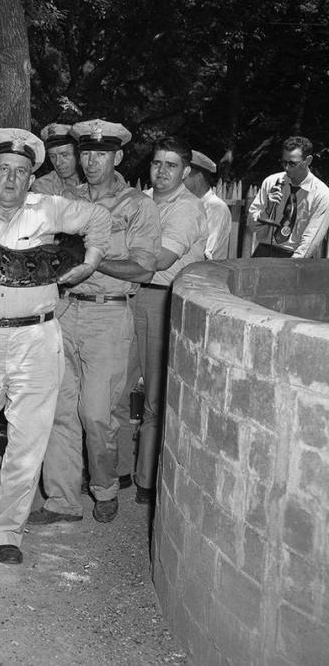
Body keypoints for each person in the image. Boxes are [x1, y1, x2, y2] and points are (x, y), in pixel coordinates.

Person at [0, 128, 110, 566]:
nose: (12, 179)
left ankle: (8, 530)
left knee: (29, 437)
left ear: (30, 177)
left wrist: (90, 262)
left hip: (38, 337)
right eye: (3, 169)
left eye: (22, 172)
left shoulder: (48, 208)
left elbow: (99, 219)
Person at [30, 119, 160, 526]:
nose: (90, 161)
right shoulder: (66, 198)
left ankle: (104, 487)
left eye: (100, 154)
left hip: (109, 313)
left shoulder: (138, 205)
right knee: (58, 409)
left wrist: (94, 260)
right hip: (64, 310)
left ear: (117, 157)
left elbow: (143, 269)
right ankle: (63, 499)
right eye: (86, 153)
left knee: (97, 413)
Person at [113, 137, 207, 504]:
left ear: (186, 171)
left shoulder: (187, 209)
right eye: (156, 163)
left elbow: (160, 260)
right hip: (130, 295)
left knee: (153, 396)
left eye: (171, 165)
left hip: (159, 299)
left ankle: (147, 480)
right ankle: (119, 468)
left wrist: (105, 258)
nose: (162, 171)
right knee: (117, 389)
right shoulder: (142, 201)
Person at [248, 135, 329, 258]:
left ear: (308, 161)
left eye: (292, 164)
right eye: (284, 162)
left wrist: (292, 267)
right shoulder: (271, 182)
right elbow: (252, 225)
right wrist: (268, 210)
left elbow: (310, 242)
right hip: (263, 251)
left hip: (294, 257)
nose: (286, 168)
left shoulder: (321, 194)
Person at [184, 150, 232, 259]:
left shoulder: (216, 208)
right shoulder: (184, 203)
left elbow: (203, 254)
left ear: (199, 177)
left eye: (183, 177)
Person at [31, 123, 83, 196]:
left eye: (64, 155)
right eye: (52, 156)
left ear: (78, 155)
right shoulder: (43, 185)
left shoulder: (94, 179)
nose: (58, 163)